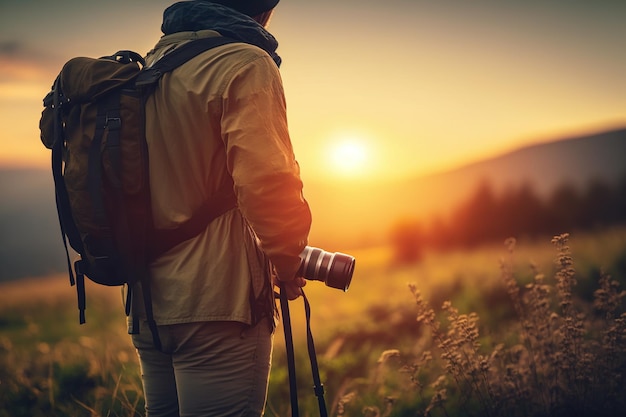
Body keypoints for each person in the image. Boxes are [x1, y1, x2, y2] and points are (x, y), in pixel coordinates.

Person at [129, 1, 312, 416]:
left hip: (148, 306)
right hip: (220, 301)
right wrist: (288, 261)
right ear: (261, 12)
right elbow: (267, 183)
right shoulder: (245, 62)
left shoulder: (156, 62)